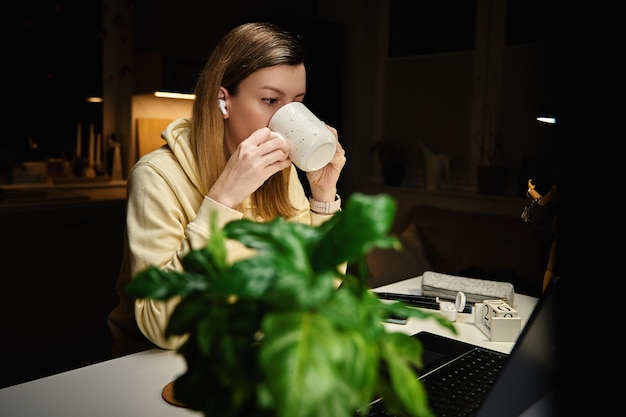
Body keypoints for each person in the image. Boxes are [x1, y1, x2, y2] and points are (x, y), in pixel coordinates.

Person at [107, 22, 346, 357]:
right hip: (159, 367)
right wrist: (222, 201)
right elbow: (164, 327)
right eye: (269, 100)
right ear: (223, 101)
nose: (289, 119)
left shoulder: (282, 171)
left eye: (297, 102)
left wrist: (323, 197)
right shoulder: (156, 176)